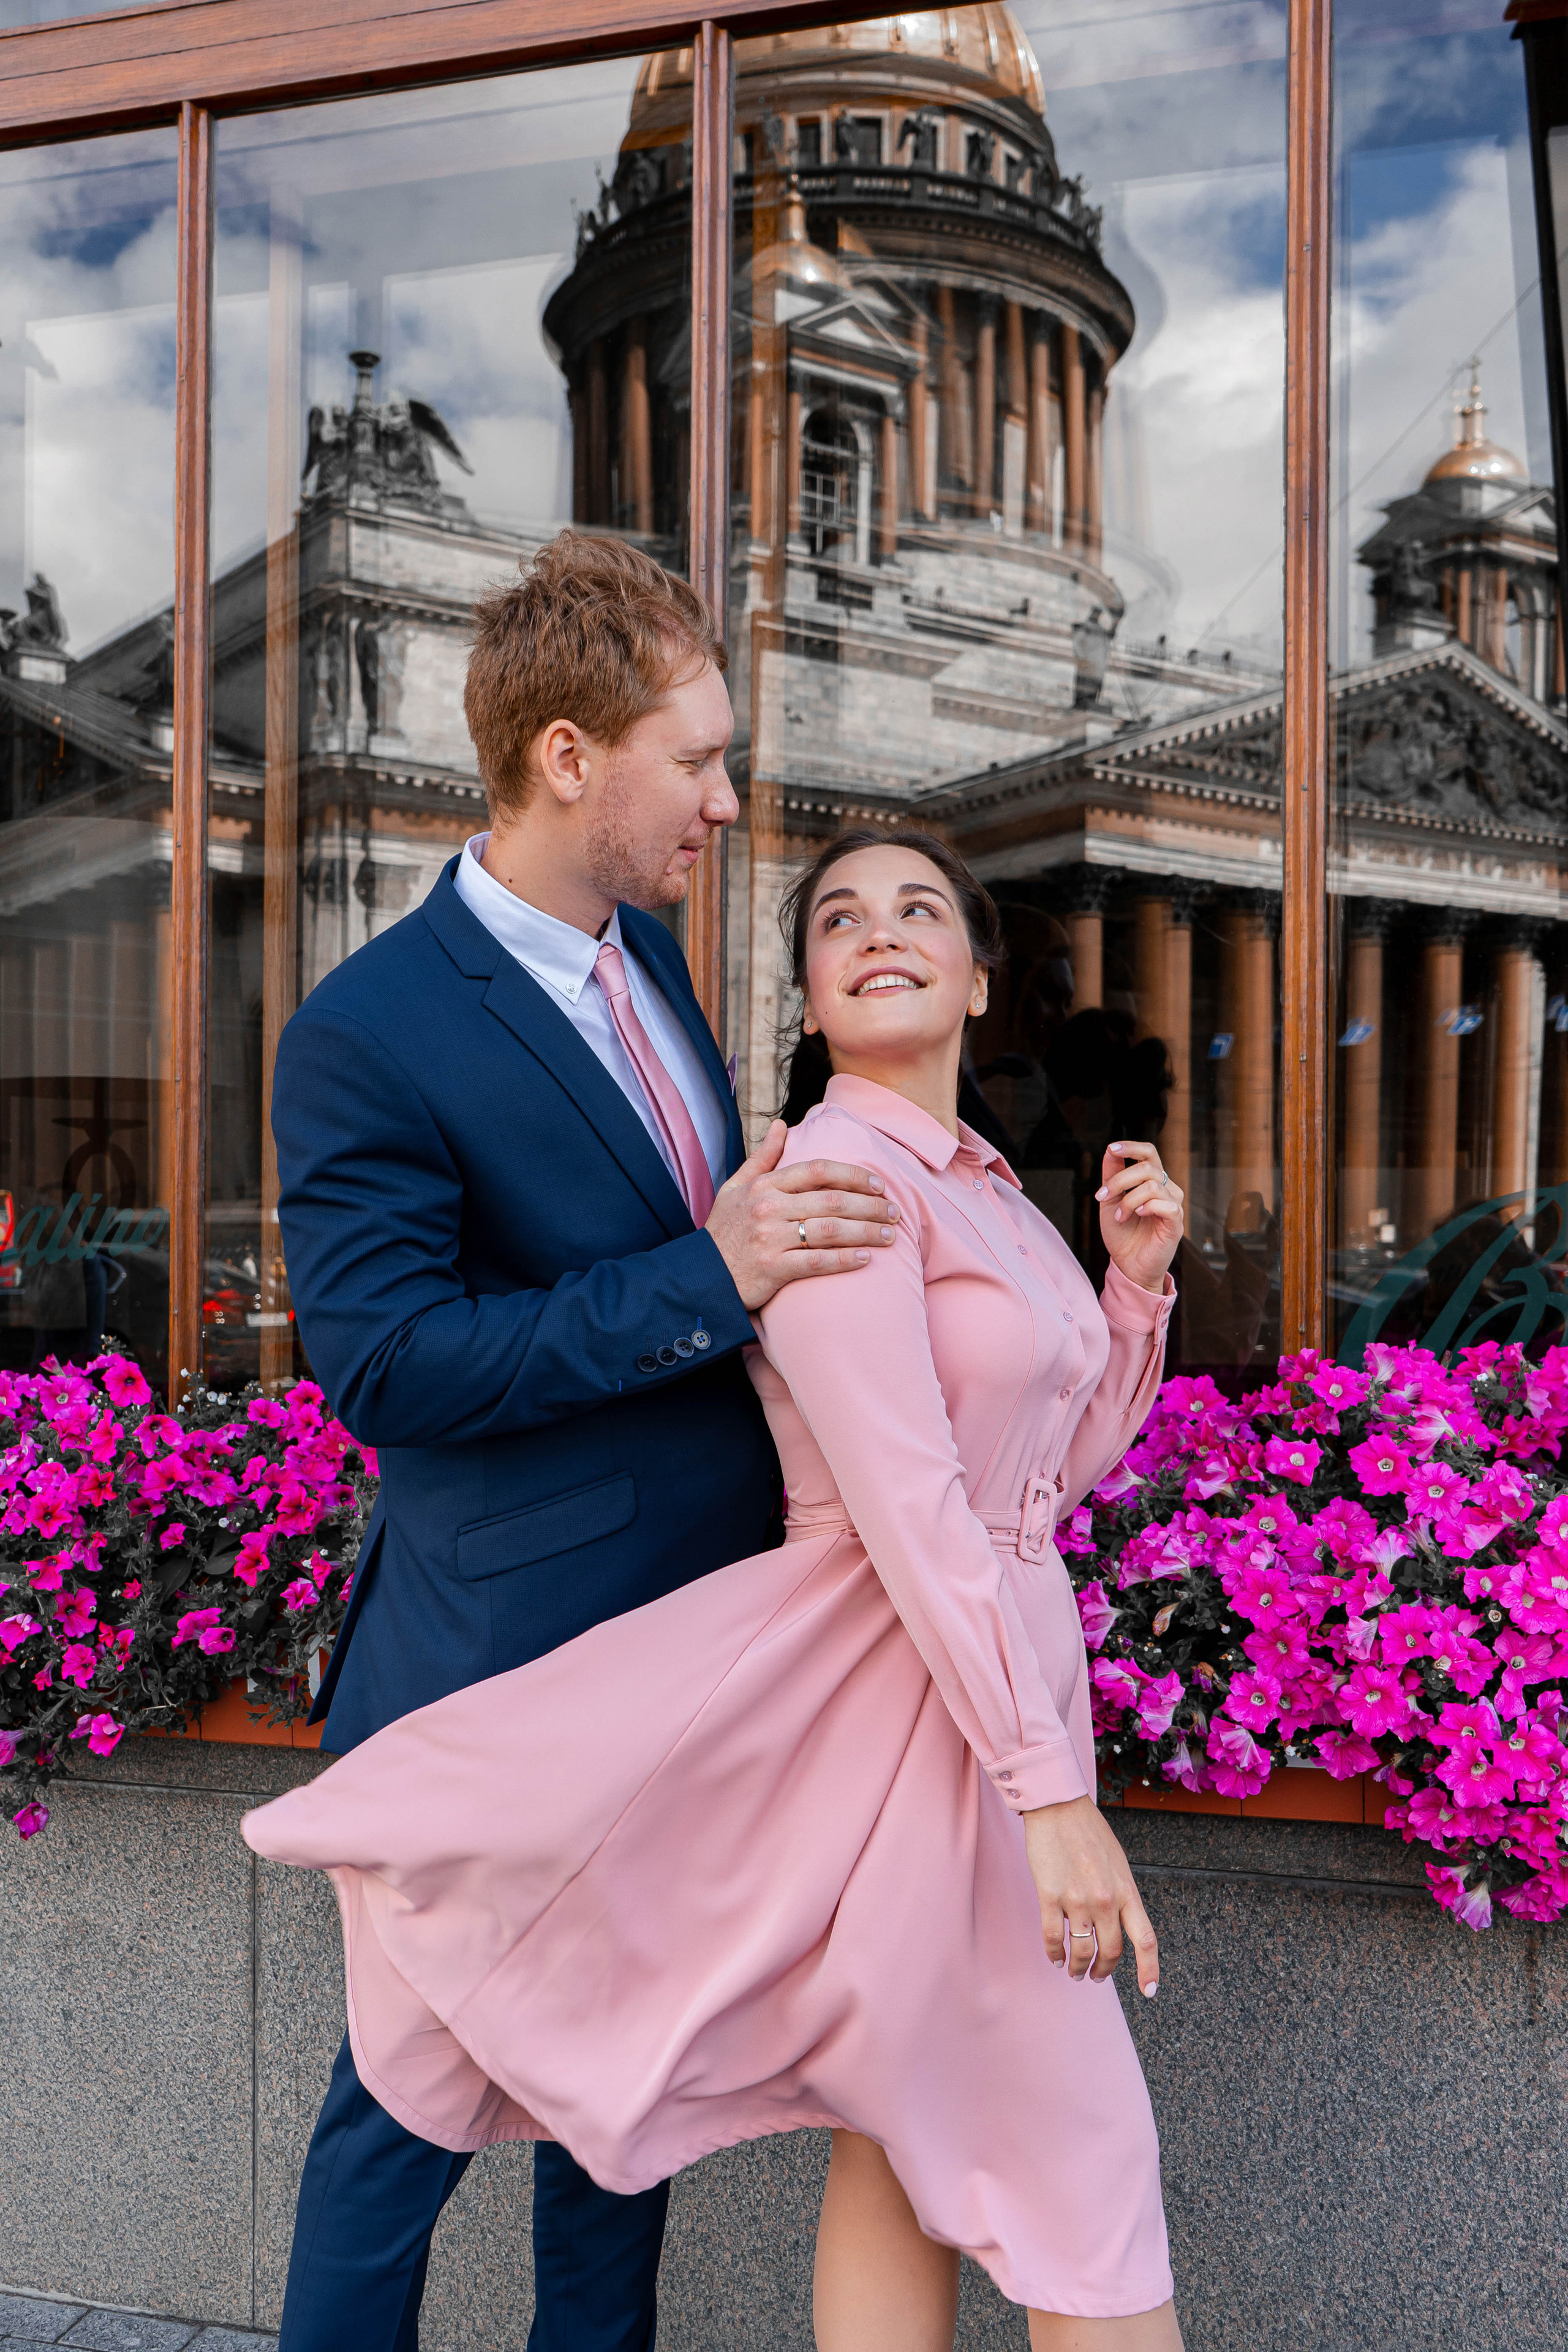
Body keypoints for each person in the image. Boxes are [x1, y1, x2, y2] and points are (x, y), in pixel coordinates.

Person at [249, 816, 1188, 2350]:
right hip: (889, 1709)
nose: (877, 931)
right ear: (807, 1002)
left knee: (900, 2149)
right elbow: (906, 1505)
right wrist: (1052, 1795)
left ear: (975, 972)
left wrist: (1133, 1293)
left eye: (916, 911)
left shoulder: (990, 1187)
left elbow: (1024, 1493)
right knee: (1078, 2188)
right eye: (836, 920)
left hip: (956, 1714)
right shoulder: (830, 1180)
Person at [265, 532, 902, 2352]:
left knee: (622, 2133)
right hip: (497, 1684)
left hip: (686, 1663)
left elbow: (683, 1235)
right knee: (394, 2132)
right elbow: (385, 1365)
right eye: (694, 760)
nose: (725, 798)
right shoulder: (365, 1032)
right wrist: (705, 1277)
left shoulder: (659, 961)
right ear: (568, 758)